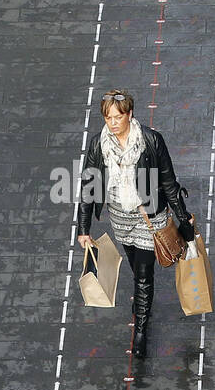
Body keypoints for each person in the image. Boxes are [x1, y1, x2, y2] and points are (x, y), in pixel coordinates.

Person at [76, 89, 194, 358]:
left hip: (149, 215)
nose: (113, 123)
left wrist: (182, 216)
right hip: (120, 216)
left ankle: (140, 328)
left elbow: (168, 181)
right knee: (133, 264)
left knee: (143, 272)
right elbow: (88, 187)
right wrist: (83, 229)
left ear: (130, 114)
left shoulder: (151, 141)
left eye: (118, 117)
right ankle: (142, 304)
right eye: (108, 118)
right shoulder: (98, 145)